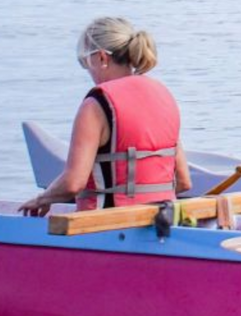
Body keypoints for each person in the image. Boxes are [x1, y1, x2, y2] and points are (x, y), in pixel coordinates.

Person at [19, 16, 191, 215]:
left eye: (85, 61)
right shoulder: (163, 96)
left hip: (108, 226)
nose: (87, 70)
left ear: (101, 58)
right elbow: (184, 181)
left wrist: (43, 198)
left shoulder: (97, 105)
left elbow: (73, 183)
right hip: (161, 223)